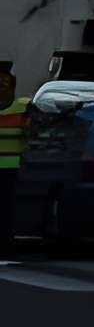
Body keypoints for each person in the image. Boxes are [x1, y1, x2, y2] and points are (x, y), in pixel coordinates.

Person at [0, 61, 25, 247]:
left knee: (6, 207)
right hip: (11, 168)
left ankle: (6, 241)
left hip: (10, 169)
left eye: (4, 83)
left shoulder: (24, 108)